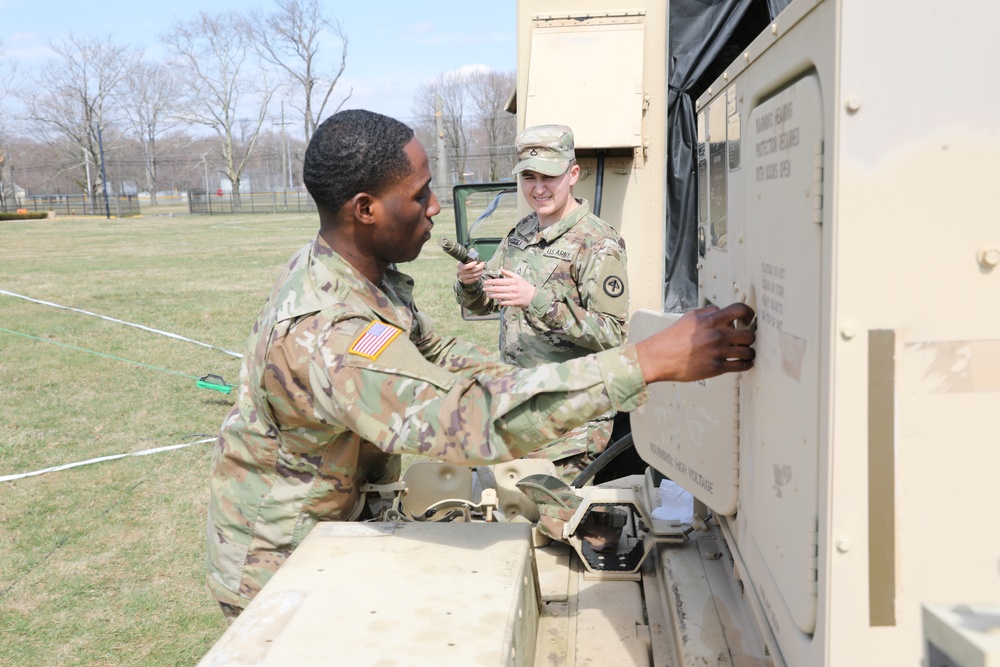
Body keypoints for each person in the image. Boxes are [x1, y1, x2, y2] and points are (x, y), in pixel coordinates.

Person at [205, 109, 755, 620]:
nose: (437, 208)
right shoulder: (332, 332)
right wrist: (645, 362)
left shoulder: (362, 276)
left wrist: (522, 384)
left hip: (335, 529)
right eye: (420, 196)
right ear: (366, 209)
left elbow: (436, 353)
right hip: (282, 571)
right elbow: (465, 425)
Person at [454, 124, 628, 483]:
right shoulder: (520, 234)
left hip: (570, 419)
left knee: (554, 525)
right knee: (509, 513)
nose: (537, 188)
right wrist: (469, 284)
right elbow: (486, 304)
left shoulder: (598, 242)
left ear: (573, 174)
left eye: (549, 176)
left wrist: (537, 300)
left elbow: (613, 335)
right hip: (519, 405)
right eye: (528, 177)